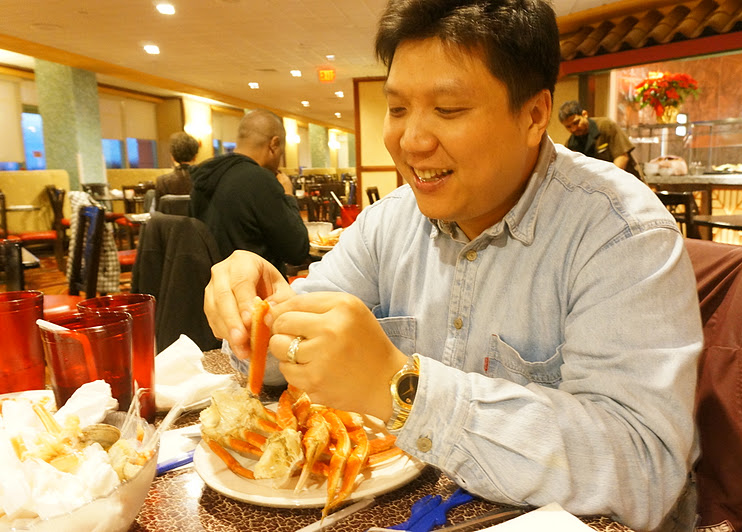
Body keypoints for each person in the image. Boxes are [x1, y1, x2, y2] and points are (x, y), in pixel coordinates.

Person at [203, 1, 702, 531]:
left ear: (534, 116)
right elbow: (285, 359)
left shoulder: (620, 231)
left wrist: (401, 386)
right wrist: (261, 316)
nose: (411, 141)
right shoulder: (388, 223)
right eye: (397, 109)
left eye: (448, 109)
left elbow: (644, 469)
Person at [190, 109, 309, 278]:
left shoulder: (204, 175)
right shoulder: (260, 179)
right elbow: (297, 250)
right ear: (274, 144)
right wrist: (288, 196)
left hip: (213, 283)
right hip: (254, 286)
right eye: (281, 154)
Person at [558, 100, 643, 180]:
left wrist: (608, 182)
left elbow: (622, 157)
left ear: (584, 114)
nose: (573, 129)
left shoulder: (606, 125)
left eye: (576, 122)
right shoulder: (571, 143)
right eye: (568, 126)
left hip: (625, 179)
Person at [155, 131, 200, 204]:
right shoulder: (204, 179)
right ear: (195, 156)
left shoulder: (162, 181)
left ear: (172, 157)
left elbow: (159, 210)